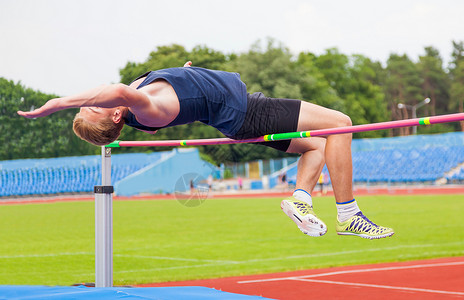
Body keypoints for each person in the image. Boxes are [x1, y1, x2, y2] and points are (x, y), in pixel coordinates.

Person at [18, 61, 393, 239]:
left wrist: (186, 73)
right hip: (247, 113)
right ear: (116, 112)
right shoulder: (142, 108)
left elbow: (161, 87)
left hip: (241, 115)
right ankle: (350, 215)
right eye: (92, 106)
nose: (91, 99)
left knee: (317, 147)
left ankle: (300, 200)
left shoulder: (141, 95)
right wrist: (58, 102)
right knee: (343, 124)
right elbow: (114, 89)